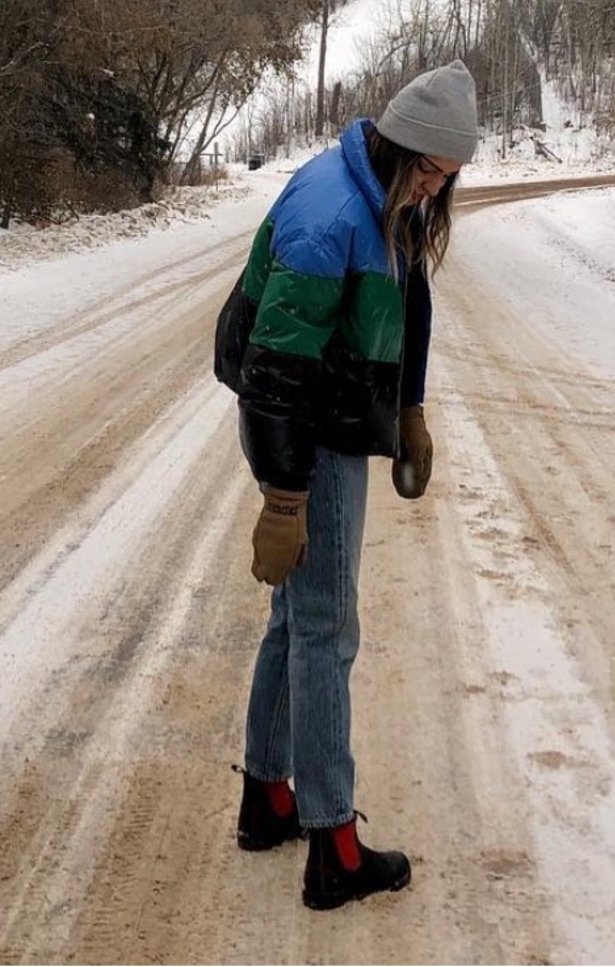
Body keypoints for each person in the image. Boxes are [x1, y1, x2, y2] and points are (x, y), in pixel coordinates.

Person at [213, 58, 478, 911]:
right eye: (433, 172)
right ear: (403, 147)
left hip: (332, 404)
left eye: (448, 178)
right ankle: (333, 848)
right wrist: (283, 498)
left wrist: (408, 410)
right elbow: (274, 373)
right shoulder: (331, 214)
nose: (438, 190)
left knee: (296, 618)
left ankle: (267, 795)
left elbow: (405, 307)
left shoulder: (387, 196)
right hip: (307, 421)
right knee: (328, 629)